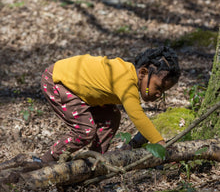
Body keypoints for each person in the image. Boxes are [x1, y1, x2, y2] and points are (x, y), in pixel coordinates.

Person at [40, 46, 180, 163]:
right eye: (158, 87)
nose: (158, 94)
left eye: (163, 92)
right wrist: (160, 143)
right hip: (58, 81)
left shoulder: (126, 75)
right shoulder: (126, 81)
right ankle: (45, 161)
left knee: (111, 118)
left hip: (78, 89)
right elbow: (137, 116)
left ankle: (93, 161)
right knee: (85, 131)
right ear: (143, 73)